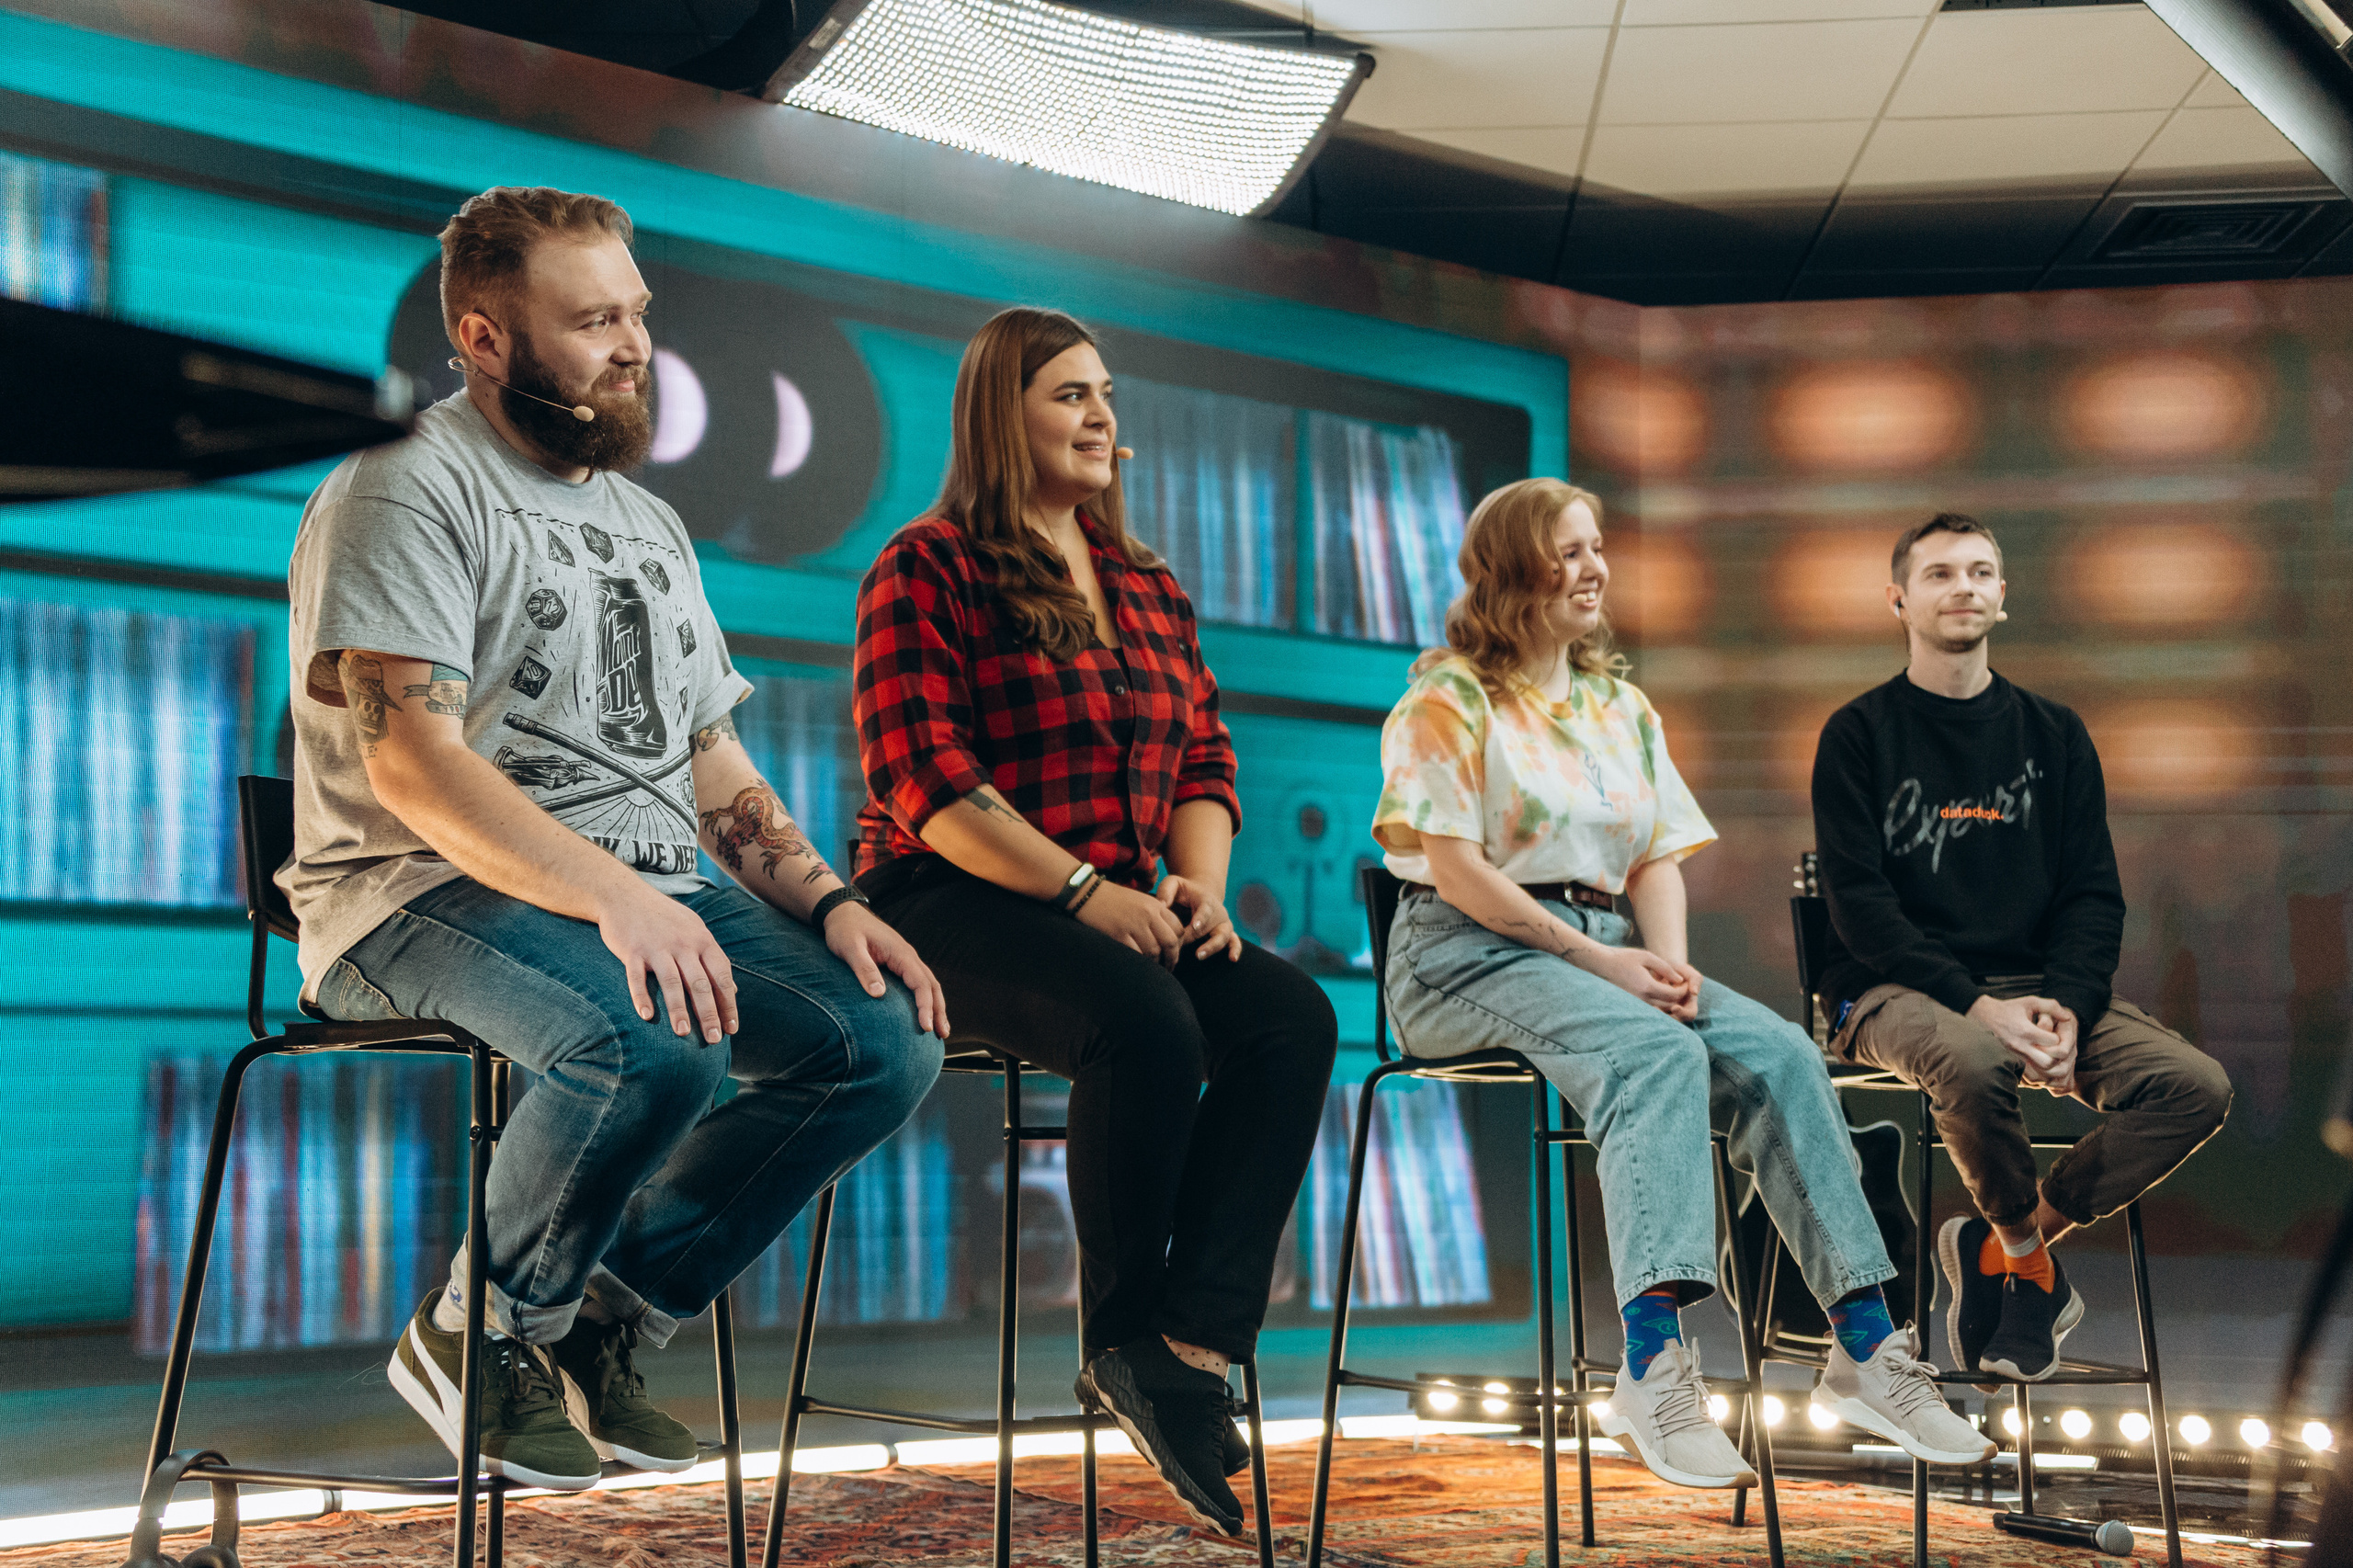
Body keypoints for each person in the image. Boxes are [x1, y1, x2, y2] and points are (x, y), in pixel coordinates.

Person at [281, 186, 947, 1490]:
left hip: (637, 887)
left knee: (883, 1039)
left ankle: (603, 1317)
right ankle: (484, 1329)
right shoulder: (401, 486)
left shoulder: (651, 526)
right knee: (652, 1022)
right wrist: (620, 900)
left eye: (636, 312)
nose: (636, 344)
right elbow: (413, 761)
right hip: (408, 891)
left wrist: (828, 903)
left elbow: (715, 765)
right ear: (483, 335)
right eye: (592, 320)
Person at [1373, 477, 1991, 1490]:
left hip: (1605, 943)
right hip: (1462, 952)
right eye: (1567, 550)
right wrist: (1607, 966)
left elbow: (1656, 855)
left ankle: (1866, 1346)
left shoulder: (1619, 703)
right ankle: (1652, 1365)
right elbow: (1454, 867)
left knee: (1783, 1053)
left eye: (1595, 547)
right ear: (1510, 571)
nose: (1592, 568)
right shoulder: (1446, 696)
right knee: (1653, 1052)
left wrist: (1665, 965)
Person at [850, 305, 1337, 1536]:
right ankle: (1120, 1334)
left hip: (1118, 896)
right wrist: (1082, 890)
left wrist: (1198, 887)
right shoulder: (928, 563)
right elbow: (925, 780)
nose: (1102, 416)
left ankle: (1188, 1342)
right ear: (999, 414)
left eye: (1106, 395)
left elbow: (1205, 758)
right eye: (1070, 394)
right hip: (948, 896)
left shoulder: (1147, 582)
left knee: (1288, 1014)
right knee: (1147, 1019)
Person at [1810, 512, 2231, 1383]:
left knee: (2195, 1087)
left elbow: (2092, 894)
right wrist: (1980, 1005)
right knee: (1971, 1060)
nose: (1962, 586)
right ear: (1898, 599)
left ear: (2003, 594)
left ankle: (2008, 1242)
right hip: (1892, 991)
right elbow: (1861, 912)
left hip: (2037, 991)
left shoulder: (2055, 734)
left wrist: (2070, 1007)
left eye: (1979, 572)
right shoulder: (1857, 735)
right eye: (1938, 574)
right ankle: (2028, 1266)